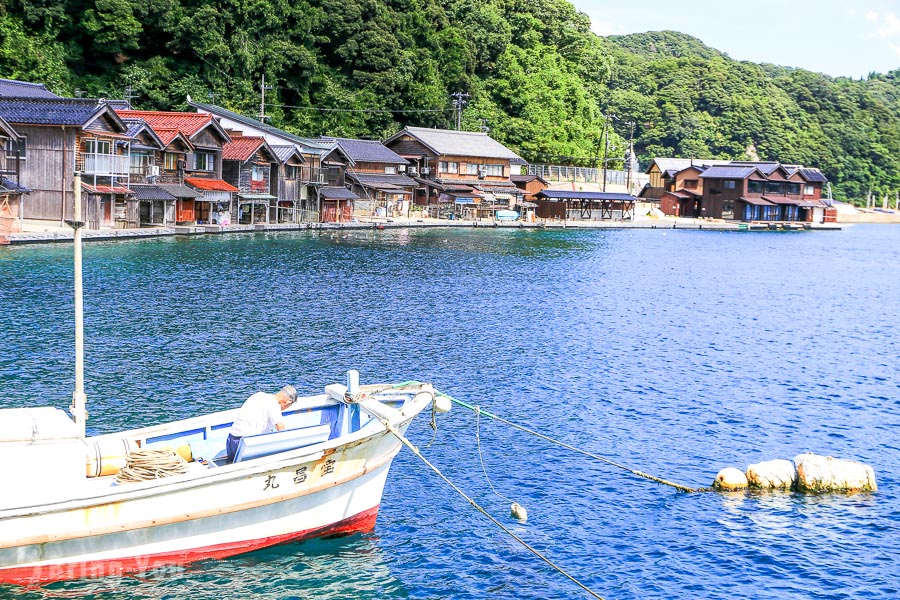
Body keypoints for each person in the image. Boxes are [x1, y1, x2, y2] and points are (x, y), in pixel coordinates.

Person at [226, 385, 297, 463]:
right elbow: (281, 428)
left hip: (231, 440)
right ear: (287, 403)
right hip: (244, 444)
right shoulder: (274, 405)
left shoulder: (259, 395)